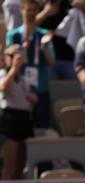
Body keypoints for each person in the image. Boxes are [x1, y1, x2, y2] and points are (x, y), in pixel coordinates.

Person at [0, 44, 37, 183]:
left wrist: (31, 98)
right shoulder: (4, 73)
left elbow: (28, 96)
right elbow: (3, 87)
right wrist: (13, 68)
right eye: (15, 56)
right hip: (10, 119)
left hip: (24, 118)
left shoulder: (22, 78)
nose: (19, 59)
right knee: (10, 165)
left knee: (21, 164)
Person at [6, 0, 56, 129]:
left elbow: (51, 62)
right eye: (29, 10)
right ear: (22, 10)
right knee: (20, 130)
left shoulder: (44, 34)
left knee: (42, 128)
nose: (31, 13)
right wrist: (24, 46)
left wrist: (44, 47)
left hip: (41, 87)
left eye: (34, 10)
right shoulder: (13, 35)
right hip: (21, 91)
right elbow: (9, 62)